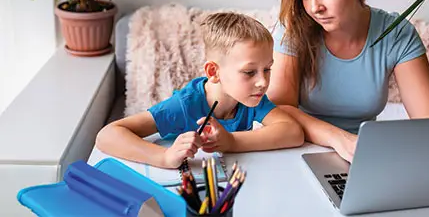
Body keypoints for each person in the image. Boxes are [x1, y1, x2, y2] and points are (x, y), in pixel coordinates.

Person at [266, 0, 429, 164]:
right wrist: (338, 139)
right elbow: (277, 109)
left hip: (361, 158)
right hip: (298, 150)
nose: (314, 7)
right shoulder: (293, 28)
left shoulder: (395, 33)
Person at [96, 12, 304, 169]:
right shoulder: (185, 105)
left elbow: (293, 132)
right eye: (249, 72)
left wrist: (231, 142)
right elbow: (108, 135)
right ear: (214, 71)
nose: (263, 82)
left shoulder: (251, 98)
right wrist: (164, 157)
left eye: (267, 69)